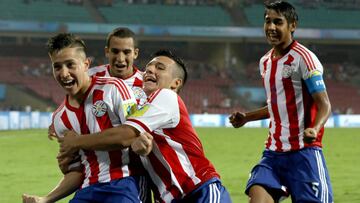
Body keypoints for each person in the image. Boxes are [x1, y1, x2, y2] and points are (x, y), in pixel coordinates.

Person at [57, 50, 232, 203]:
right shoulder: (139, 109)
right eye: (149, 67)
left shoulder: (167, 96)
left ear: (175, 83)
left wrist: (77, 141)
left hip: (199, 189)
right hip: (169, 198)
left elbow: (125, 134)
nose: (150, 70)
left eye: (159, 68)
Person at [22, 33, 152, 203]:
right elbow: (77, 171)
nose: (64, 73)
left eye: (70, 65)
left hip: (126, 182)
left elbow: (131, 134)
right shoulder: (60, 118)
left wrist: (77, 141)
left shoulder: (114, 88)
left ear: (86, 65)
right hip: (88, 188)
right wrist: (45, 199)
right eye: (57, 67)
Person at [229, 1, 333, 203]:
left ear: (292, 25)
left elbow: (325, 104)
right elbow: (278, 105)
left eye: (278, 22)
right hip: (273, 154)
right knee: (257, 198)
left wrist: (314, 128)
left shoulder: (305, 59)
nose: (271, 28)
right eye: (268, 21)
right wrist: (246, 117)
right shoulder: (265, 62)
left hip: (304, 153)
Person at [88, 27, 146, 106]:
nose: (120, 59)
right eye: (115, 51)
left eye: (126, 52)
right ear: (107, 52)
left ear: (135, 53)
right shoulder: (89, 77)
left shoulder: (146, 84)